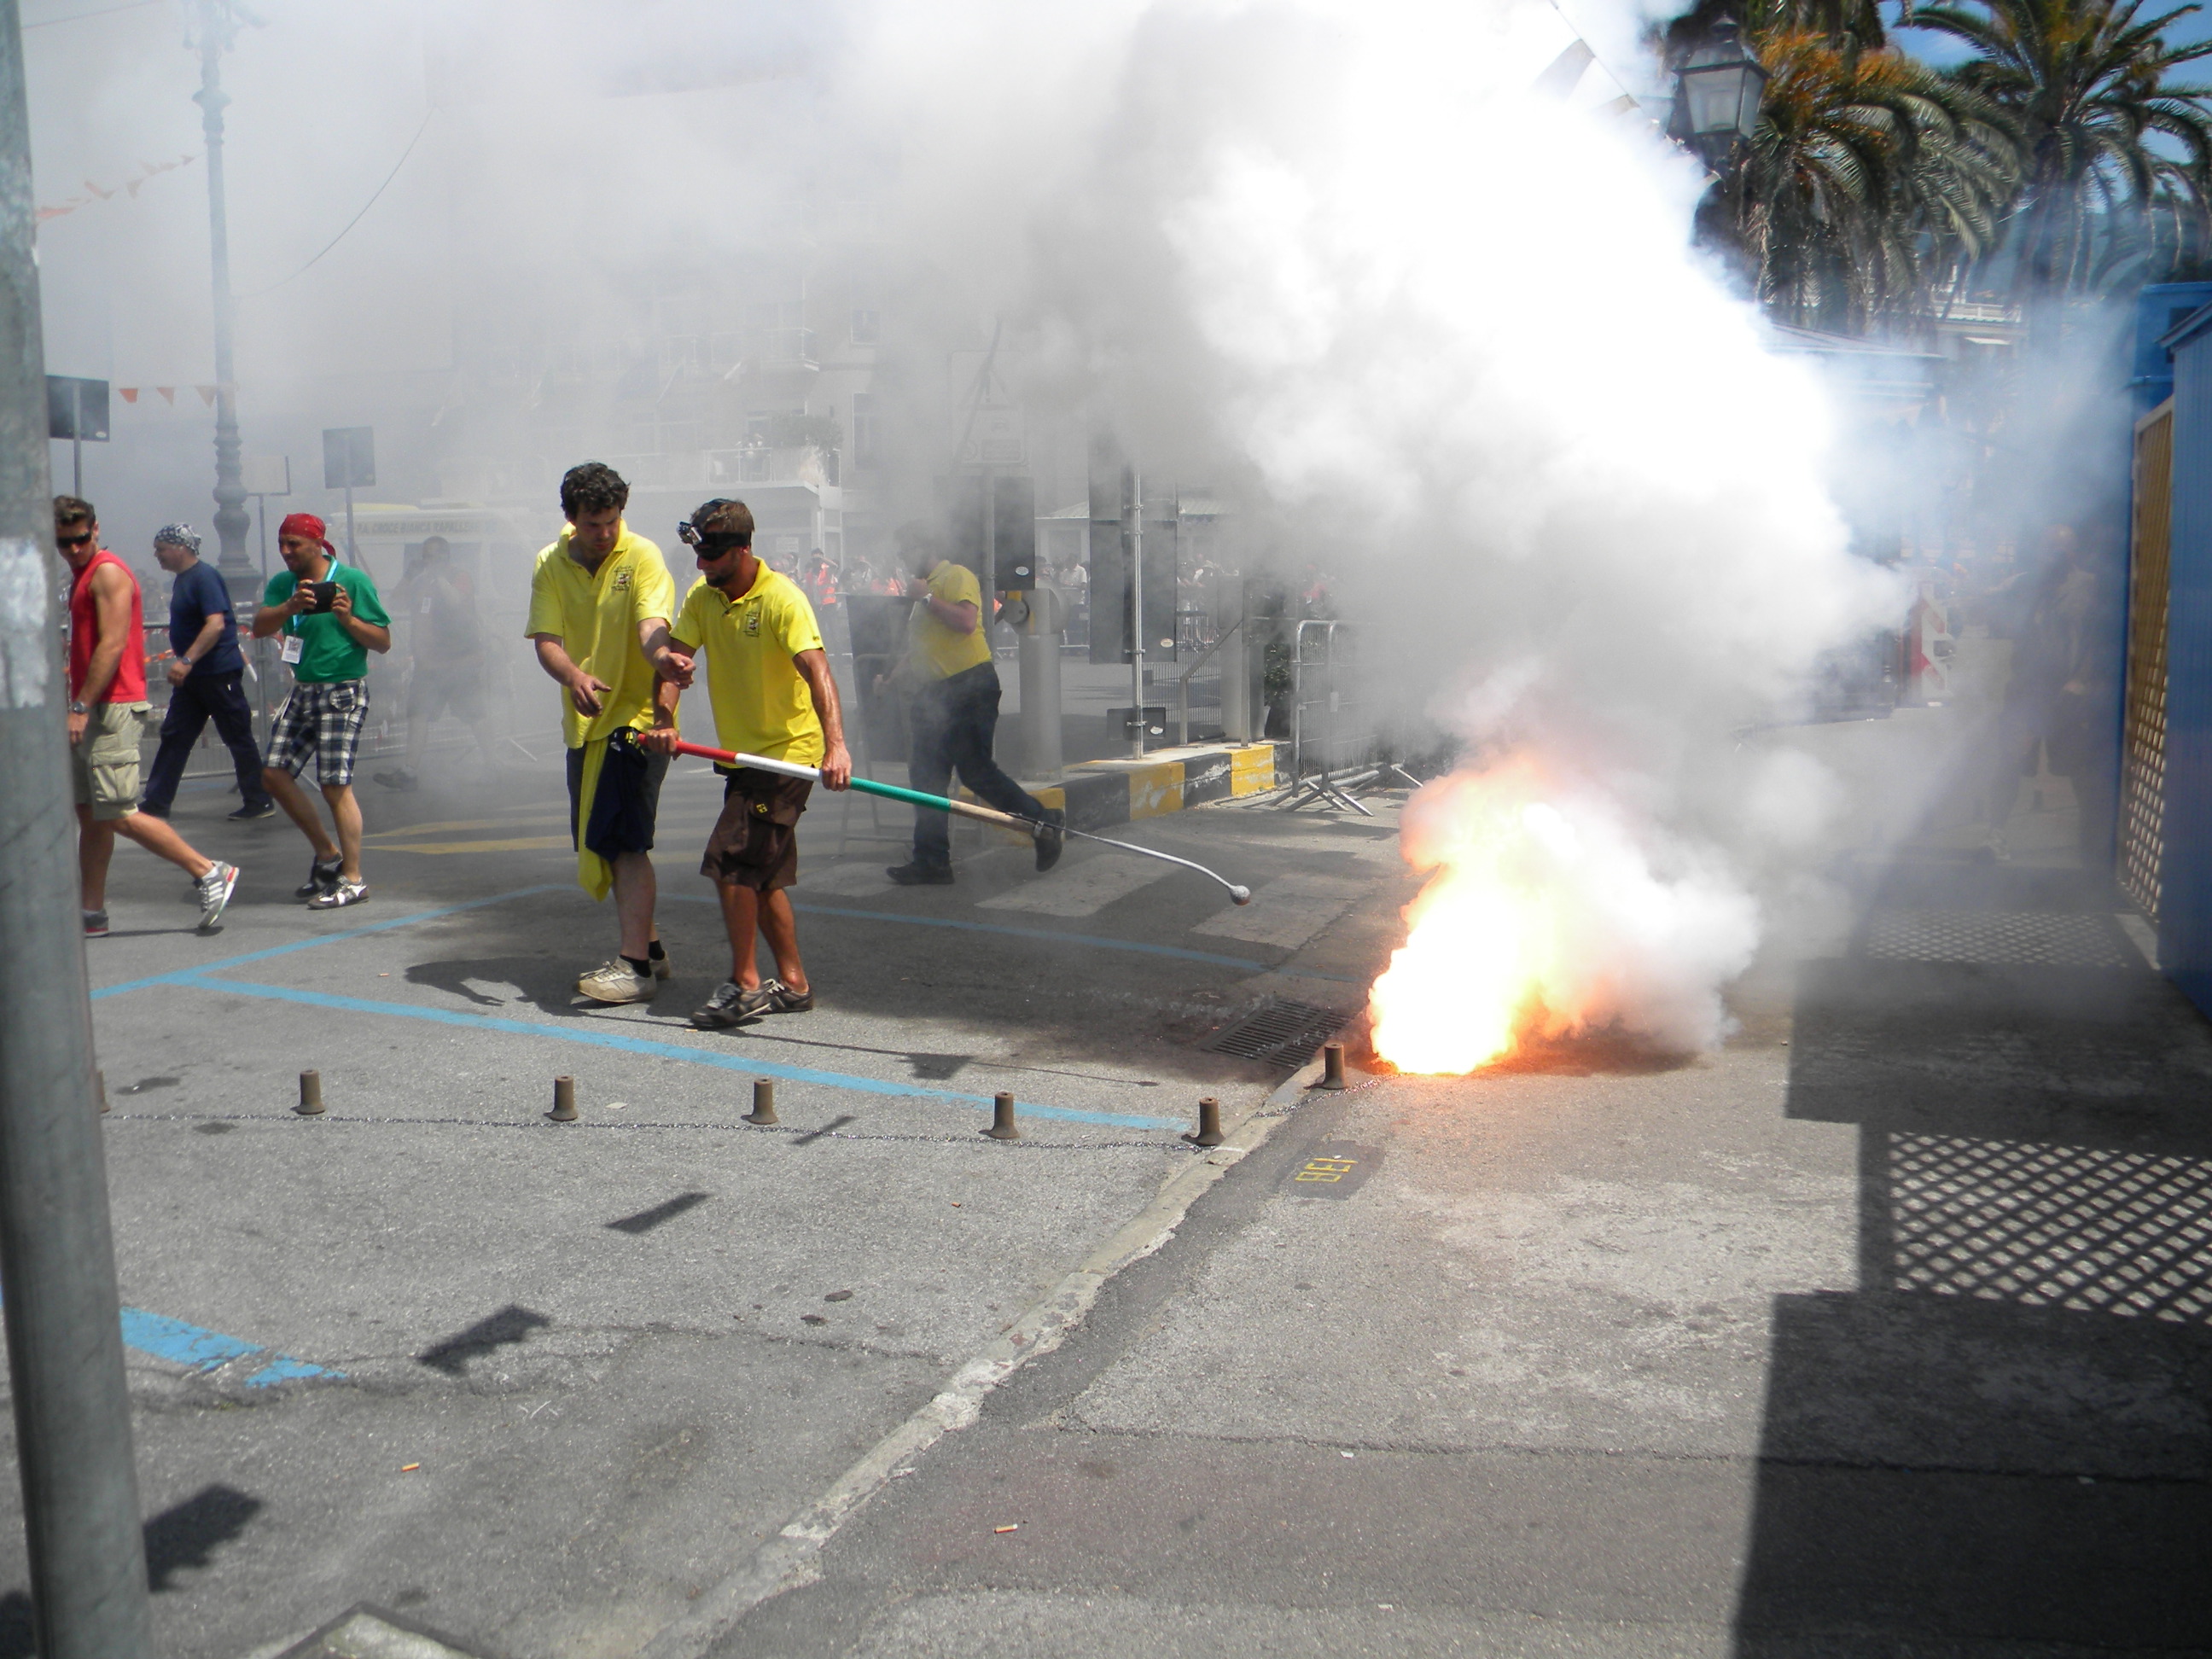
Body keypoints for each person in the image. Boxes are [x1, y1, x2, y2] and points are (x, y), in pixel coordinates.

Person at [643, 498, 853, 1028]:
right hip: (744, 755)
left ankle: (745, 984)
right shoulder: (704, 597)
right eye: (699, 555)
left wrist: (837, 746)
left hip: (786, 757)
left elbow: (817, 671)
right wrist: (664, 718)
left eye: (712, 556)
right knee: (764, 877)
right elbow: (673, 661)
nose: (702, 566)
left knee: (732, 862)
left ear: (742, 549)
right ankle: (794, 983)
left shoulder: (783, 599)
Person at [526, 461, 682, 1004]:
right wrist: (572, 676)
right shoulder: (550, 563)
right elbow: (545, 638)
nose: (605, 532)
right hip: (584, 725)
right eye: (594, 524)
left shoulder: (641, 554)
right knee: (604, 842)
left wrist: (663, 656)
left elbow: (651, 624)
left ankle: (635, 966)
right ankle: (653, 950)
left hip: (637, 721)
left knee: (625, 843)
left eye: (613, 520)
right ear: (571, 519)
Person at [53, 497, 239, 937]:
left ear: (95, 530)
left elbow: (113, 645)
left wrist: (80, 707)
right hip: (95, 705)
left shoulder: (108, 572)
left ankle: (208, 870)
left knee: (117, 812)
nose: (75, 549)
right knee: (90, 811)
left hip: (111, 706)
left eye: (81, 539)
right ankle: (91, 912)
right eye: (65, 543)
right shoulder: (82, 575)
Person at [877, 522, 1062, 885]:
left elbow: (965, 621)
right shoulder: (925, 592)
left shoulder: (954, 577)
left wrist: (926, 599)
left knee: (975, 770)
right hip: (935, 694)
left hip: (968, 687)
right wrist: (890, 678)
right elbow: (922, 650)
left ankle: (1043, 820)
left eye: (906, 553)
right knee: (926, 778)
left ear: (922, 550)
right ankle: (931, 860)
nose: (903, 562)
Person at [250, 512, 392, 910]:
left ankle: (353, 878)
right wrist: (289, 606)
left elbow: (382, 641)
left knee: (334, 785)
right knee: (274, 775)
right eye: (281, 542)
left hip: (342, 691)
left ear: (317, 542)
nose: (286, 551)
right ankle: (328, 855)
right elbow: (259, 626)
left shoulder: (352, 581)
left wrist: (347, 617)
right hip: (303, 690)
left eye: (294, 543)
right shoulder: (284, 584)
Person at [140, 521, 274, 823]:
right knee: (175, 735)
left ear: (180, 548)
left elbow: (216, 624)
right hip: (195, 678)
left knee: (237, 736)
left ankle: (259, 799)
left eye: (161, 550)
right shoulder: (183, 579)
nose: (157, 555)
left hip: (216, 673)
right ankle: (156, 802)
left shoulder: (204, 577)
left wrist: (186, 660)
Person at [375, 536, 498, 792]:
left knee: (474, 714)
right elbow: (395, 602)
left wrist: (440, 577)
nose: (429, 561)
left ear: (445, 557)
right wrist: (409, 576)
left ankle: (492, 765)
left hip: (460, 662)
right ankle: (409, 772)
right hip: (428, 665)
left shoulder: (458, 576)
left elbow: (457, 603)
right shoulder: (420, 582)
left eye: (434, 556)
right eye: (426, 556)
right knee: (418, 714)